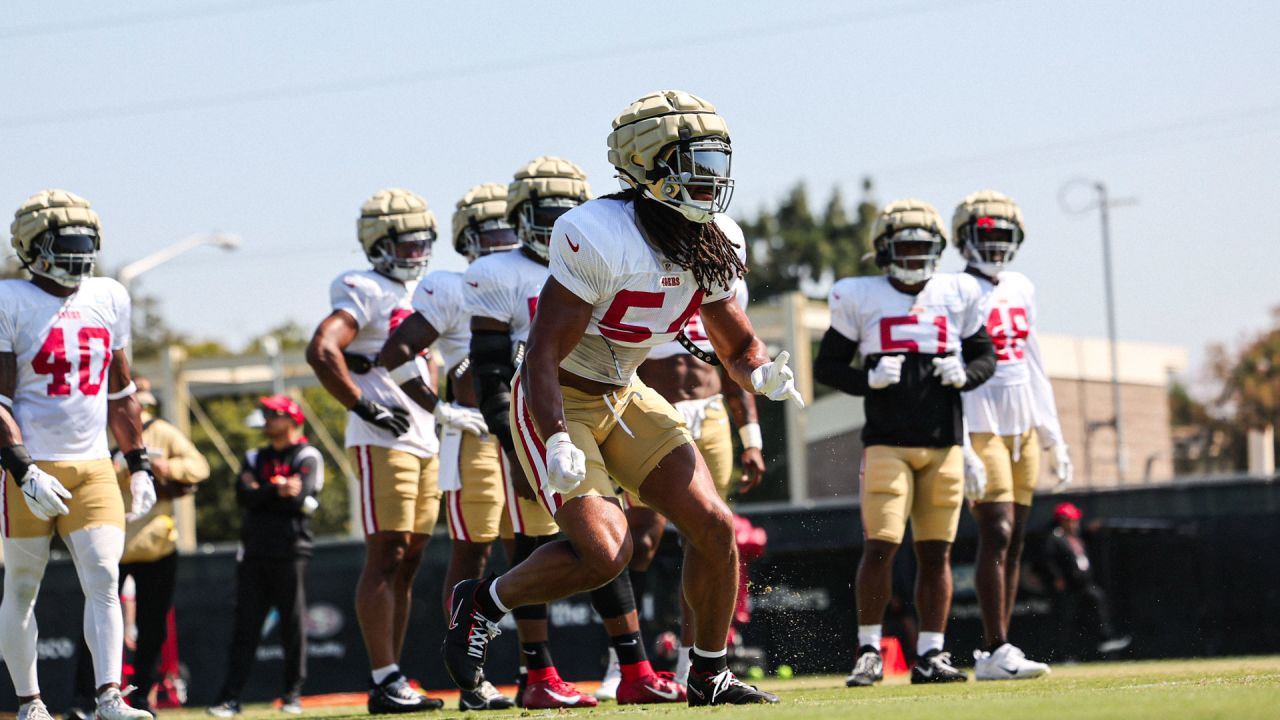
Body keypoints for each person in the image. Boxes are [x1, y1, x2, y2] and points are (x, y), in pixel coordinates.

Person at [442, 90, 801, 707]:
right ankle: (482, 602)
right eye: (696, 165)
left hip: (626, 392)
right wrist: (554, 435)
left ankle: (709, 673)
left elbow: (737, 345)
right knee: (607, 553)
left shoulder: (715, 240)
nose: (712, 183)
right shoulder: (599, 231)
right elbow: (546, 352)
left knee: (714, 526)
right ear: (648, 165)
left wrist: (761, 373)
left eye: (717, 165)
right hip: (557, 396)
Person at [459, 157, 683, 708]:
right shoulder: (497, 274)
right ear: (519, 216)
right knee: (535, 544)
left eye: (566, 209)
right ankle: (538, 675)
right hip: (536, 425)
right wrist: (515, 442)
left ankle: (634, 667)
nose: (557, 219)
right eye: (544, 210)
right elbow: (490, 372)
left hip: (598, 414)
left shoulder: (603, 253)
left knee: (607, 539)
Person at [813, 198, 996, 687]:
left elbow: (986, 356)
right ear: (884, 250)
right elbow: (826, 367)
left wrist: (967, 373)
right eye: (906, 247)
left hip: (945, 446)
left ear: (938, 250)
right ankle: (869, 649)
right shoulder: (861, 296)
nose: (915, 256)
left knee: (937, 554)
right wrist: (868, 376)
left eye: (923, 247)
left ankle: (932, 654)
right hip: (888, 445)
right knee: (881, 547)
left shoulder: (958, 293)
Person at [0, 189, 157, 720]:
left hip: (92, 466)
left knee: (105, 580)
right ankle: (30, 703)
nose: (77, 253)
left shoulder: (110, 296)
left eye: (84, 242)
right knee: (22, 585)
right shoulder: (10, 301)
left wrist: (139, 462)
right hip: (30, 465)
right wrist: (21, 468)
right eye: (65, 243)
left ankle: (110, 696)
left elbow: (120, 391)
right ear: (32, 246)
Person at [375, 182, 515, 712]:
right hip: (477, 432)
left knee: (529, 546)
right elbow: (396, 352)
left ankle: (537, 668)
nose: (504, 243)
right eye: (492, 233)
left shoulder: (537, 276)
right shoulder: (453, 287)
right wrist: (438, 407)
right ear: (467, 240)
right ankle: (471, 677)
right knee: (474, 551)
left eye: (510, 231)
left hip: (524, 428)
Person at [305, 189, 445, 712]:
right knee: (386, 554)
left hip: (424, 437)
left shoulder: (421, 291)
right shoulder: (361, 288)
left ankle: (396, 675)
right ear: (378, 244)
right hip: (383, 438)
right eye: (404, 245)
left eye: (420, 245)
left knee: (409, 559)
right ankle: (384, 678)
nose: (414, 254)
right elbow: (323, 348)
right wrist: (364, 407)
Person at [597, 274, 766, 694]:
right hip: (652, 414)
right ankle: (624, 662)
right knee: (639, 539)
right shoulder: (636, 268)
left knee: (708, 535)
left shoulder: (717, 276)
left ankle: (695, 663)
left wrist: (752, 438)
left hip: (709, 414)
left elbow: (733, 358)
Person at [951, 190, 1070, 680]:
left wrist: (1052, 433)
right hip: (981, 421)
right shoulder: (952, 289)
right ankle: (995, 647)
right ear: (964, 239)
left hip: (1022, 422)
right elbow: (949, 369)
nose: (997, 246)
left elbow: (1033, 360)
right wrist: (961, 447)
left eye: (1004, 236)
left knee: (1015, 538)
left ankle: (999, 651)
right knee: (996, 530)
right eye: (987, 236)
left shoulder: (1021, 286)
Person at [70, 377, 211, 714]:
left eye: (139, 403)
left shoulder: (161, 431)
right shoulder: (95, 430)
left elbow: (199, 467)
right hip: (108, 544)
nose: (135, 409)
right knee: (96, 626)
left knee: (153, 629)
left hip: (155, 546)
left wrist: (165, 467)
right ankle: (84, 702)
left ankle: (140, 697)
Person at [206, 396, 321, 716]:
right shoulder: (254, 456)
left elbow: (302, 499)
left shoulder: (307, 454)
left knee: (292, 625)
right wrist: (276, 490)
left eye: (273, 414)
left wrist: (262, 491)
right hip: (254, 552)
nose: (266, 419)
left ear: (291, 419)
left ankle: (292, 695)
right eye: (266, 414)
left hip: (291, 551)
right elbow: (243, 497)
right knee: (245, 627)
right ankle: (229, 698)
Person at [1043, 502, 1131, 657]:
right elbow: (1049, 560)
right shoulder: (1055, 538)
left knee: (1097, 600)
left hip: (1083, 583)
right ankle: (1062, 654)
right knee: (1065, 619)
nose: (1075, 523)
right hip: (1068, 585)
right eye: (1072, 520)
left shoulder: (1075, 537)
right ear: (1063, 520)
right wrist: (1057, 577)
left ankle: (1105, 638)